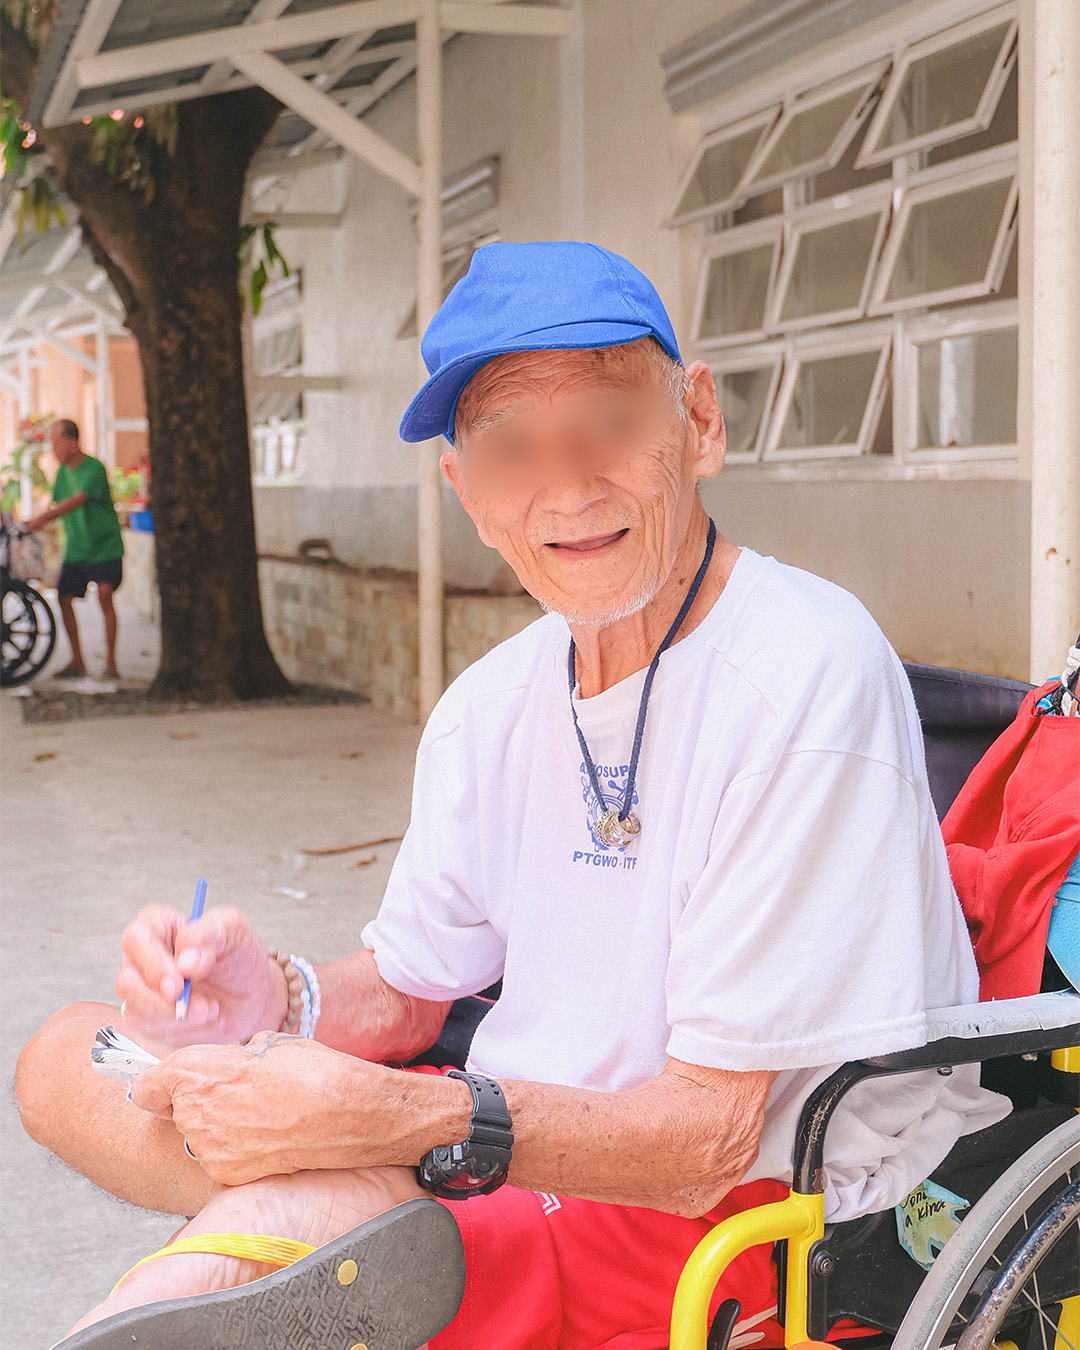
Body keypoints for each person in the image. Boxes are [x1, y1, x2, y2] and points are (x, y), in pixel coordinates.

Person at [15, 243, 1008, 1349]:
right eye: (512, 448)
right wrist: (278, 1000)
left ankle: (256, 1256)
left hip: (731, 1205)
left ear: (699, 424)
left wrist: (386, 1121)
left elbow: (705, 1143)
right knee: (67, 1054)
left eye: (611, 423)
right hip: (509, 1134)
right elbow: (409, 994)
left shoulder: (804, 673)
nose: (569, 485)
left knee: (319, 1202)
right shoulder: (489, 705)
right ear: (468, 493)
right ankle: (312, 1226)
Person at [26, 418, 125, 680]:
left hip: (104, 545)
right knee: (64, 597)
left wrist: (43, 518)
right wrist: (37, 522)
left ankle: (111, 662)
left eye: (56, 442)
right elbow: (59, 504)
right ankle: (77, 661)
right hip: (77, 548)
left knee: (104, 595)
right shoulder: (62, 473)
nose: (54, 449)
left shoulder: (94, 468)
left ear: (71, 442)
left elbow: (77, 501)